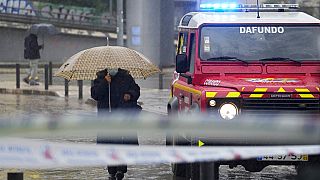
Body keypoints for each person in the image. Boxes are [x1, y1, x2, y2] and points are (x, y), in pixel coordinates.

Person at [91, 68, 141, 180]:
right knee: (109, 142)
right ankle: (111, 171)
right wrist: (105, 82)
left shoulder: (126, 77)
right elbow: (95, 94)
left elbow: (136, 90)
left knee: (122, 141)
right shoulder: (100, 78)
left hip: (123, 116)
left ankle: (121, 169)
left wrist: (130, 94)